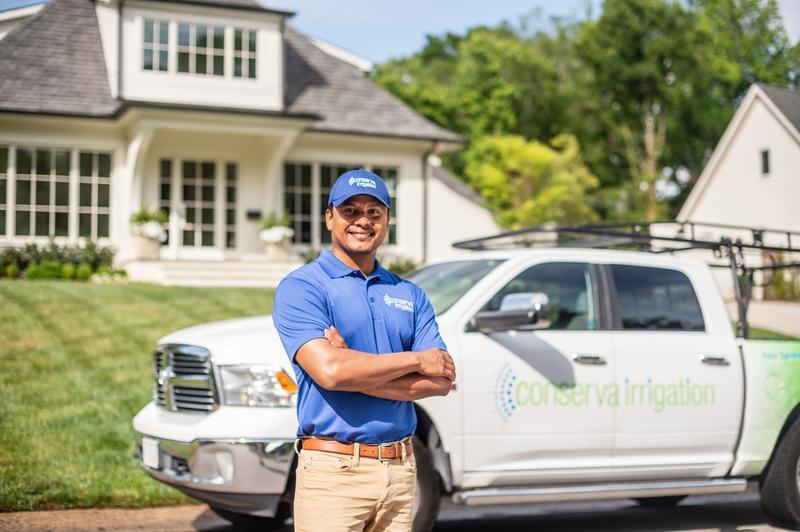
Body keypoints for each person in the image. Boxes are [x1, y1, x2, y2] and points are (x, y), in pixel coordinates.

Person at [272, 168, 456, 532]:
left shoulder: (409, 293)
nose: (363, 221)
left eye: (374, 212)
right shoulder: (304, 287)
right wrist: (415, 360)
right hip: (334, 472)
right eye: (350, 210)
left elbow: (440, 381)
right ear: (329, 217)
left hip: (401, 471)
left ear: (387, 219)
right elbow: (331, 372)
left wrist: (353, 369)